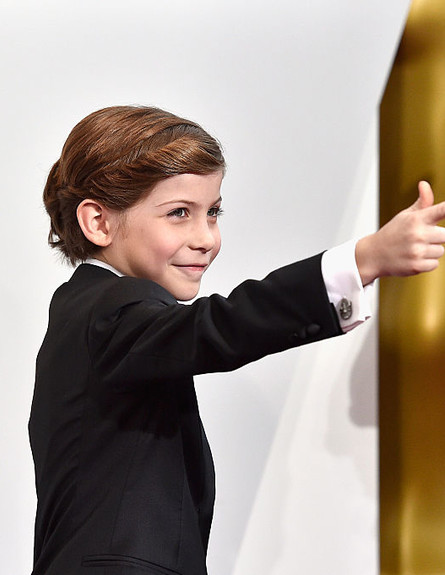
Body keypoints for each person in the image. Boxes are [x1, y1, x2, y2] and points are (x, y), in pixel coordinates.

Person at [29, 105, 445, 575]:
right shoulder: (112, 309)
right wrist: (363, 260)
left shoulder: (86, 310)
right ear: (98, 222)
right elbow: (221, 327)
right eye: (179, 213)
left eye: (213, 212)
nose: (206, 238)